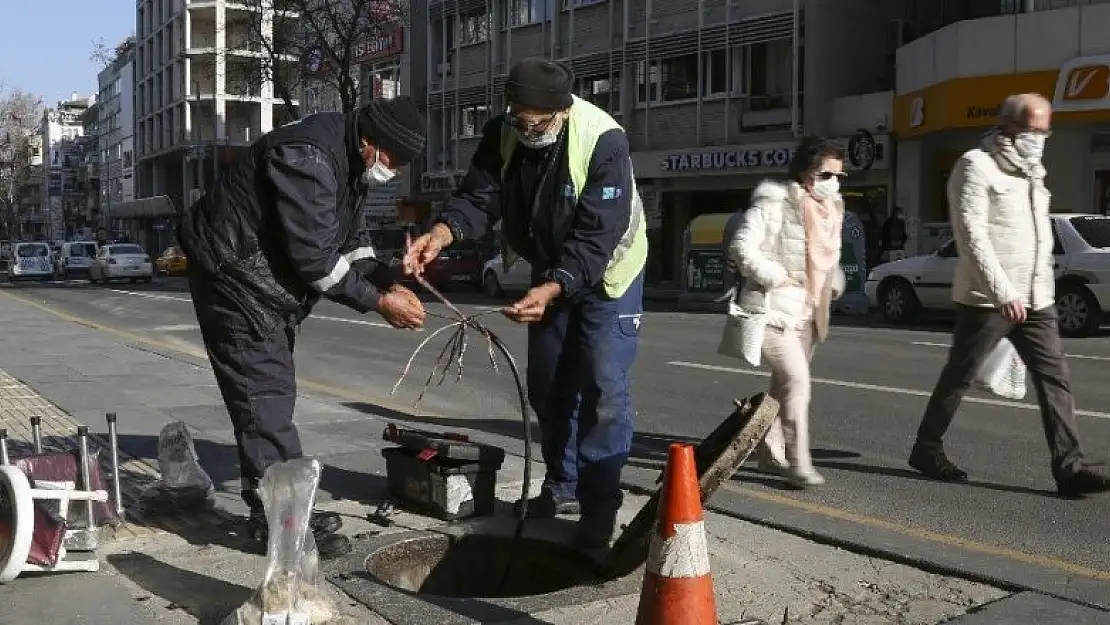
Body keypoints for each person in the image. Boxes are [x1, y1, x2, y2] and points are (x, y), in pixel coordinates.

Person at [405, 56, 648, 548]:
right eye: (519, 117)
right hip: (551, 270)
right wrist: (441, 234)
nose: (527, 129)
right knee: (549, 387)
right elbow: (477, 198)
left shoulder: (603, 140)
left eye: (538, 122)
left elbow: (597, 235)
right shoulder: (504, 133)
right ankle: (562, 486)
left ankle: (599, 514)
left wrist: (554, 285)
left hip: (609, 276)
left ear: (561, 112)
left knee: (603, 390)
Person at [178, 98, 430, 557]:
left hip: (262, 284)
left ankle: (278, 501)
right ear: (373, 142)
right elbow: (315, 260)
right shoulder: (308, 158)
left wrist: (391, 281)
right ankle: (280, 521)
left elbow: (352, 246)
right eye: (394, 161)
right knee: (265, 398)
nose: (393, 171)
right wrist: (379, 304)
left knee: (268, 395)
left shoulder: (349, 162)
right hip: (235, 279)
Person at [908, 93, 1110, 497]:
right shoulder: (974, 167)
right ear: (1009, 126)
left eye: (1045, 130)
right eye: (1034, 128)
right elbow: (971, 236)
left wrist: (1040, 290)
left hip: (1037, 297)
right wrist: (1002, 292)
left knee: (1055, 380)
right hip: (987, 299)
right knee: (960, 376)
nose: (1041, 137)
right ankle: (927, 448)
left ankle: (1070, 469)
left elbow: (1037, 238)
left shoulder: (1032, 173)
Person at [728, 136, 847, 488]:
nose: (833, 183)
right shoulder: (774, 204)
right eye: (826, 174)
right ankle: (799, 463)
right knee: (796, 382)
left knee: (782, 388)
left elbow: (826, 260)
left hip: (809, 314)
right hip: (773, 311)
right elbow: (741, 247)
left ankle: (766, 450)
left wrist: (832, 280)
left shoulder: (831, 211)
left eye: (839, 176)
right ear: (805, 172)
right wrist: (778, 277)